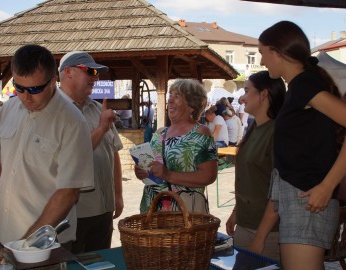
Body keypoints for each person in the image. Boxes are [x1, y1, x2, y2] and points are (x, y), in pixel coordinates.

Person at [249, 21, 346, 270]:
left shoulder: (304, 85)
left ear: (277, 51)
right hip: (299, 204)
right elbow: (287, 169)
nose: (261, 62)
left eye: (262, 53)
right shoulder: (300, 87)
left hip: (309, 205)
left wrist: (327, 186)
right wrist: (261, 234)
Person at [0, 45, 94, 255]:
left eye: (35, 89)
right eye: (20, 87)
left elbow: (69, 192)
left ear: (54, 80)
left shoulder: (72, 122)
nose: (27, 97)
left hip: (45, 246)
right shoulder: (8, 109)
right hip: (1, 234)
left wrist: (26, 245)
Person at [58, 50, 123, 252]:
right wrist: (102, 127)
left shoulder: (97, 109)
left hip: (103, 209)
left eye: (96, 73)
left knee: (101, 263)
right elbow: (75, 154)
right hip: (72, 213)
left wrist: (118, 195)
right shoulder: (54, 110)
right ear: (68, 72)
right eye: (89, 71)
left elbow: (113, 153)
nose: (95, 77)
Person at [225, 71, 286, 261]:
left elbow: (280, 190)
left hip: (267, 231)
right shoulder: (254, 128)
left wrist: (260, 237)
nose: (241, 98)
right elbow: (251, 178)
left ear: (264, 94)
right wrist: (236, 212)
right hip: (246, 224)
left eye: (246, 90)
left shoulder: (278, 133)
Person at [134, 79, 218, 213]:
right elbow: (151, 171)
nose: (170, 100)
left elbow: (209, 176)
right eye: (170, 95)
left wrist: (168, 175)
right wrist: (141, 172)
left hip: (183, 212)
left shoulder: (200, 133)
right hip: (152, 210)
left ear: (192, 105)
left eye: (177, 96)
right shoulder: (159, 133)